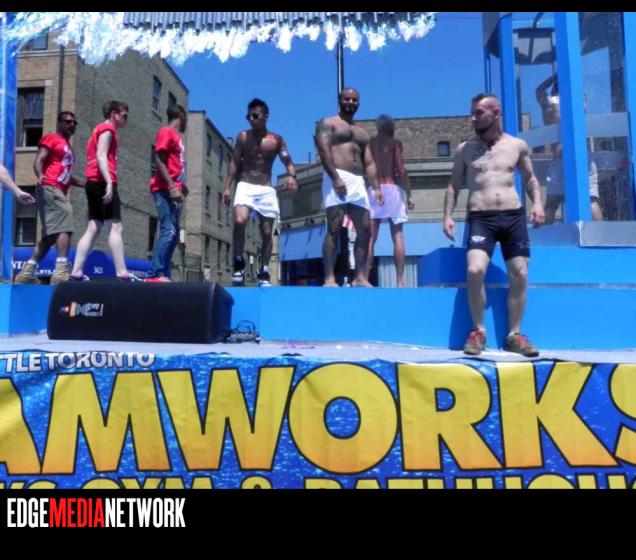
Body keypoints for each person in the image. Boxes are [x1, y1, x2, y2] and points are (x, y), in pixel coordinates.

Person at [443, 93, 545, 357]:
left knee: (520, 273)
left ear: (496, 113)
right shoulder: (465, 149)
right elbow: (454, 185)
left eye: (478, 113)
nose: (472, 118)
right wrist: (447, 216)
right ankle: (478, 331)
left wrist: (538, 204)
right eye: (472, 113)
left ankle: (514, 334)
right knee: (475, 269)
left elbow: (530, 179)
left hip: (513, 217)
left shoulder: (517, 145)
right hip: (481, 218)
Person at [223, 98, 297, 286]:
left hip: (266, 189)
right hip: (245, 185)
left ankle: (263, 269)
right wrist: (227, 187)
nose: (251, 119)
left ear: (266, 116)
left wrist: (292, 176)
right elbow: (234, 162)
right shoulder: (242, 137)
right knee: (239, 220)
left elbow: (288, 162)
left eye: (255, 116)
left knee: (266, 232)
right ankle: (238, 262)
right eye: (248, 116)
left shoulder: (277, 140)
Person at [314, 87, 382, 287]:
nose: (350, 102)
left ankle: (360, 277)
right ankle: (329, 277)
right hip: (337, 175)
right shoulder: (328, 123)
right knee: (334, 227)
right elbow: (324, 151)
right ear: (339, 100)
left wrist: (376, 187)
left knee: (365, 230)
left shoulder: (362, 133)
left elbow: (369, 162)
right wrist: (335, 177)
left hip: (358, 181)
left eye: (354, 100)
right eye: (347, 99)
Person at [70, 101, 138, 281]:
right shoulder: (108, 129)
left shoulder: (97, 130)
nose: (126, 120)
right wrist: (109, 182)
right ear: (114, 114)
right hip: (102, 182)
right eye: (124, 116)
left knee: (93, 227)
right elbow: (101, 155)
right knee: (116, 227)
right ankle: (121, 272)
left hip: (93, 183)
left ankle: (76, 270)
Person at [14, 111, 84, 285]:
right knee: (66, 222)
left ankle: (26, 273)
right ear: (59, 123)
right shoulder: (52, 138)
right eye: (68, 121)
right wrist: (40, 175)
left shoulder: (68, 147)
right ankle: (60, 272)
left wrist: (83, 184)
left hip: (56, 189)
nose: (72, 125)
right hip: (50, 187)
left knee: (49, 237)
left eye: (74, 123)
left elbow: (65, 174)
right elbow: (39, 159)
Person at [536, 74, 603, 222]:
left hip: (559, 155)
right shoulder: (579, 101)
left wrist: (554, 76)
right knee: (591, 199)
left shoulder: (549, 103)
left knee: (552, 204)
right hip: (582, 154)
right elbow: (582, 92)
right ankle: (600, 233)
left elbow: (539, 90)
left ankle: (546, 234)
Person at [365, 114, 415, 287]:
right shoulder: (395, 144)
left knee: (370, 238)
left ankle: (364, 278)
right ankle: (400, 281)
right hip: (392, 189)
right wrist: (409, 194)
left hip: (374, 189)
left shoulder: (369, 144)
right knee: (398, 236)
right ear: (389, 127)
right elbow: (401, 169)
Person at [145, 104, 188, 283]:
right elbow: (159, 160)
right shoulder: (166, 132)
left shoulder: (177, 137)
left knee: (174, 234)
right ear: (181, 116)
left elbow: (174, 164)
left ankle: (164, 273)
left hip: (174, 190)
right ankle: (154, 273)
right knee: (168, 230)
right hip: (164, 190)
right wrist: (171, 186)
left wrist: (182, 185)